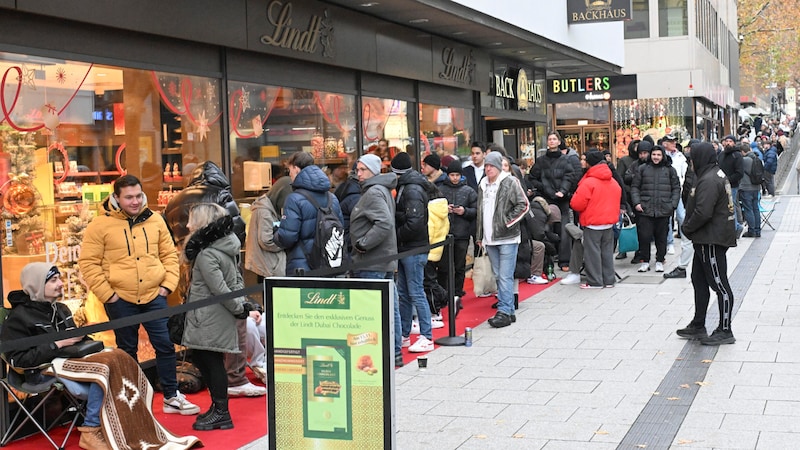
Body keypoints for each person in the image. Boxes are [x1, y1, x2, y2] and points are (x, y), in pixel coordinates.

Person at [0, 263, 200, 450]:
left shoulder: (59, 309)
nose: (60, 284)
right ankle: (91, 430)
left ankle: (131, 423)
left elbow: (73, 344)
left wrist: (81, 337)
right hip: (42, 370)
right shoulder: (18, 318)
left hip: (70, 361)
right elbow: (18, 360)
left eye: (59, 279)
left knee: (120, 357)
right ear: (35, 285)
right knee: (103, 370)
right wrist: (57, 344)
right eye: (53, 281)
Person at [79, 175, 200, 416]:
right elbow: (89, 263)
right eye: (128, 197)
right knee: (127, 350)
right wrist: (108, 295)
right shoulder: (100, 225)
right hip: (120, 298)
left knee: (165, 346)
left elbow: (170, 255)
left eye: (138, 196)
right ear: (116, 198)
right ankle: (132, 402)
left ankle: (171, 396)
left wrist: (166, 286)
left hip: (154, 295)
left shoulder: (155, 220)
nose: (135, 202)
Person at [181, 204, 254, 430]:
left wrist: (238, 308)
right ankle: (218, 408)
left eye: (191, 220)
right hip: (215, 315)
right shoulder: (228, 247)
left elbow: (219, 288)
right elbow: (237, 281)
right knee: (208, 360)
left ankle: (221, 412)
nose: (187, 225)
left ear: (202, 223)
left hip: (207, 317)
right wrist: (239, 305)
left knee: (211, 362)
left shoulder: (207, 254)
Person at [677, 142, 737, 345]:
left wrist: (687, 228)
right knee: (699, 279)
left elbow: (703, 212)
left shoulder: (709, 179)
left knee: (719, 284)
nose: (690, 162)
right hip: (706, 238)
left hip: (711, 238)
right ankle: (698, 323)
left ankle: (725, 329)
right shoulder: (711, 174)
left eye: (692, 158)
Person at [349, 153, 402, 366]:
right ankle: (394, 352)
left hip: (372, 260)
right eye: (358, 169)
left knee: (375, 310)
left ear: (373, 171)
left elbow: (385, 223)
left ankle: (385, 353)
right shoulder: (381, 190)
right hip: (381, 258)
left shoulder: (374, 192)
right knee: (391, 306)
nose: (358, 173)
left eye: (362, 170)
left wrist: (363, 243)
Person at [477, 152, 529, 328]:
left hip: (507, 237)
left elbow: (524, 204)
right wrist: (480, 235)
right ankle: (509, 311)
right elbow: (480, 212)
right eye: (486, 165)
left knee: (505, 276)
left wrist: (507, 222)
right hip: (490, 238)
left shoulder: (510, 182)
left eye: (491, 165)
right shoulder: (483, 185)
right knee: (499, 275)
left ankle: (504, 311)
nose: (488, 168)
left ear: (499, 166)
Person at [391, 151, 434, 352]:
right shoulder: (408, 187)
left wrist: (397, 234)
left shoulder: (411, 189)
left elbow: (414, 222)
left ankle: (426, 335)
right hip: (409, 247)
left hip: (413, 247)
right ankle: (405, 333)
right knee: (405, 292)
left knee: (415, 291)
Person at [275, 151, 344, 274]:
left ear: (296, 169)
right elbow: (341, 228)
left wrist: (276, 233)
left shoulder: (294, 199)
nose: (289, 174)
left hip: (302, 266)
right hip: (329, 263)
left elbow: (287, 237)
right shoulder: (332, 197)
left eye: (289, 170)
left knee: (304, 294)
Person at [243, 187, 286, 384]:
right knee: (262, 318)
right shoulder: (264, 210)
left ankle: (266, 360)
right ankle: (260, 362)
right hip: (267, 265)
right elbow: (266, 239)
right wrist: (288, 242)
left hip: (268, 264)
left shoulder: (267, 207)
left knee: (265, 318)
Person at [570, 150, 622, 288]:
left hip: (592, 222)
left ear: (589, 163)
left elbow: (577, 204)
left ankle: (595, 281)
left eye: (583, 159)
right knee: (607, 253)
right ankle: (609, 280)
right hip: (609, 222)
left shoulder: (588, 182)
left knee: (592, 254)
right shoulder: (612, 181)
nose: (581, 162)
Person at [526, 131, 577, 272]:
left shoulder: (566, 159)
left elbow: (570, 176)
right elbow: (532, 177)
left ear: (559, 142)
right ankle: (547, 260)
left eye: (554, 139)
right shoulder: (541, 160)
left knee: (564, 229)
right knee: (545, 229)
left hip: (563, 199)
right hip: (545, 199)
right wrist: (543, 187)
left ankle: (564, 260)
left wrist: (563, 190)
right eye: (550, 139)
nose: (552, 141)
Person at [631, 145, 680, 273]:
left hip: (664, 209)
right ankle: (645, 261)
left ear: (663, 155)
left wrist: (672, 204)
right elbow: (635, 187)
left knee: (661, 237)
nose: (656, 157)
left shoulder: (670, 170)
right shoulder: (642, 169)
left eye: (658, 155)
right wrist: (637, 202)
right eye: (654, 155)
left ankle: (660, 260)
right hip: (645, 209)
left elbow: (676, 188)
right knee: (644, 237)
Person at [438, 159, 478, 298]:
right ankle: (444, 292)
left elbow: (477, 210)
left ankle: (457, 292)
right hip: (444, 234)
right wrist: (445, 209)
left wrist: (464, 211)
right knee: (443, 266)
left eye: (457, 175)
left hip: (462, 233)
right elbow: (433, 209)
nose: (454, 178)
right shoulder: (441, 189)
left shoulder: (468, 191)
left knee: (460, 265)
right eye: (452, 175)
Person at [664, 139, 700, 279]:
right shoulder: (693, 166)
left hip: (694, 209)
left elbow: (690, 187)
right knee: (687, 239)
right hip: (689, 205)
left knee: (688, 237)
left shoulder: (697, 169)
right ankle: (682, 266)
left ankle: (683, 267)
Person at [717, 135, 744, 236]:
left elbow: (739, 173)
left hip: (732, 186)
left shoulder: (737, 155)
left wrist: (728, 180)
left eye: (730, 141)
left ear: (734, 143)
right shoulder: (721, 154)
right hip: (721, 185)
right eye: (726, 141)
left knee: (731, 207)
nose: (728, 143)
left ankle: (736, 227)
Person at [738, 143, 762, 238]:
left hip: (746, 187)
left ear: (742, 152)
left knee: (748, 209)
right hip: (756, 187)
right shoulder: (757, 158)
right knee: (756, 209)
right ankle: (757, 230)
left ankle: (751, 230)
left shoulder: (744, 160)